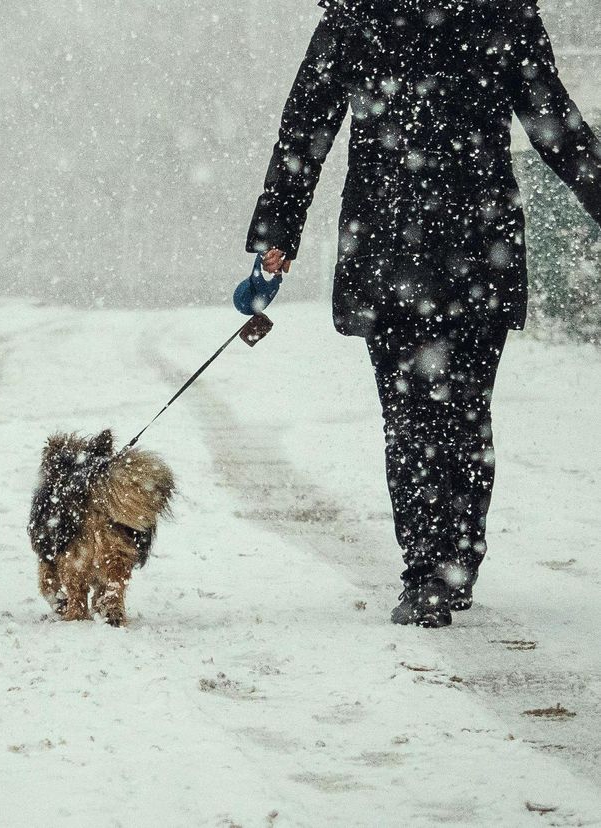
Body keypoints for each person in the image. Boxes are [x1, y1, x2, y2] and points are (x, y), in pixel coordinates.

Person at [246, 0, 601, 626]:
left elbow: (304, 132)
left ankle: (435, 566)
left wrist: (281, 226)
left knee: (416, 415)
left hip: (396, 243)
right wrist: (278, 231)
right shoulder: (495, 15)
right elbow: (558, 129)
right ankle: (443, 563)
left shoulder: (361, 16)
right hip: (470, 243)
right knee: (459, 411)